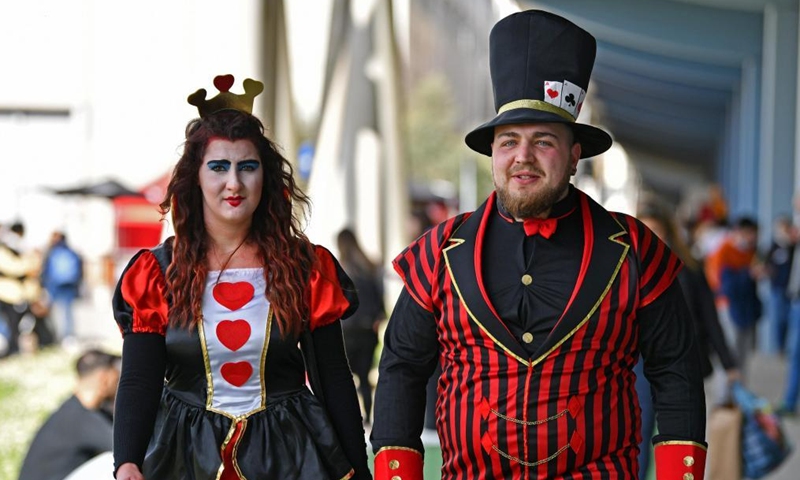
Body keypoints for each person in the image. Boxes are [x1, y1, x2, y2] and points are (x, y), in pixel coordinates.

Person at [370, 10, 707, 480]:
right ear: (493, 154)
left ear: (573, 157)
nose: (522, 157)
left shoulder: (634, 251)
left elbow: (677, 371)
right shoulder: (437, 253)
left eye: (543, 141)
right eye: (508, 141)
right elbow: (402, 369)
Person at [112, 75, 371, 480]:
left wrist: (359, 468)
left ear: (264, 177)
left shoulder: (306, 266)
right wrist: (126, 462)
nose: (234, 183)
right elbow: (139, 379)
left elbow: (333, 377)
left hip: (290, 455)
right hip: (184, 457)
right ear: (195, 177)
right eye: (219, 167)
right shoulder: (157, 272)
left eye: (247, 167)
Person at [634, 200, 739, 479]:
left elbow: (710, 319)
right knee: (641, 433)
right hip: (639, 366)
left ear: (668, 233)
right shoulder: (623, 271)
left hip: (683, 364)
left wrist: (729, 364)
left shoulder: (688, 270)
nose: (650, 236)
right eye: (643, 230)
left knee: (681, 438)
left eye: (656, 229)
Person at [18, 348, 120, 480]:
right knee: (115, 462)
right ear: (104, 378)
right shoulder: (82, 419)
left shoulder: (72, 411)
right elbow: (126, 449)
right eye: (117, 378)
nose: (119, 384)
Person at [705, 216, 763, 380]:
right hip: (728, 306)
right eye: (750, 233)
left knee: (743, 356)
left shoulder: (751, 251)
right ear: (740, 232)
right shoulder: (723, 251)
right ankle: (724, 399)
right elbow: (720, 286)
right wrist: (747, 274)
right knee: (729, 354)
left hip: (746, 309)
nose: (752, 238)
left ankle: (740, 398)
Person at [337, 228, 385, 425]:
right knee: (365, 377)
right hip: (367, 329)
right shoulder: (370, 267)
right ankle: (367, 415)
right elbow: (378, 299)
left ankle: (349, 415)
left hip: (347, 329)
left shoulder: (340, 269)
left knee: (345, 377)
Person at [40, 231, 83, 344]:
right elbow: (79, 271)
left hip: (54, 286)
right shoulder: (72, 252)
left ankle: (55, 337)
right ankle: (68, 336)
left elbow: (45, 271)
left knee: (53, 313)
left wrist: (44, 285)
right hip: (69, 286)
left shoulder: (51, 252)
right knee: (67, 312)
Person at [764, 215, 795, 356]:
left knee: (790, 318)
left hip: (791, 288)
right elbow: (766, 265)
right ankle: (780, 347)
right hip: (777, 288)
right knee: (778, 319)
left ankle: (789, 346)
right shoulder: (773, 247)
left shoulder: (792, 247)